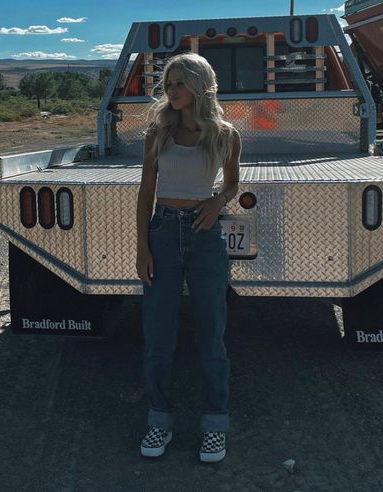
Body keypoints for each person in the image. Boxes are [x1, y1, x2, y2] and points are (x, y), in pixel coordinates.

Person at [135, 52, 241, 463]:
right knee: (159, 335)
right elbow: (146, 193)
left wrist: (217, 201)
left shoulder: (225, 134)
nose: (172, 91)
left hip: (205, 235)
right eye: (169, 84)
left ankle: (214, 426)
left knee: (210, 336)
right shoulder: (157, 133)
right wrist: (142, 247)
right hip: (162, 232)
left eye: (180, 83)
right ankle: (158, 422)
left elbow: (232, 182)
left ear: (200, 84)